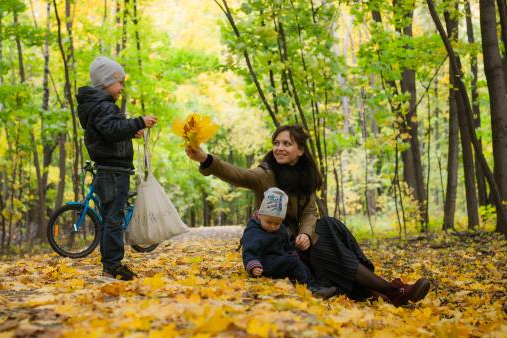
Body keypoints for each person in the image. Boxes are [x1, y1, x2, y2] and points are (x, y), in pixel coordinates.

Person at [187, 125, 431, 306]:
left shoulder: (306, 178)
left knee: (330, 225)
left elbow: (310, 211)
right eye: (277, 143)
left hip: (301, 242)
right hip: (280, 247)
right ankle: (389, 290)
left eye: (287, 143)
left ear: (301, 150)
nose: (280, 148)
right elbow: (238, 175)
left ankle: (379, 290)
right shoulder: (266, 174)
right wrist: (206, 159)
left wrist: (305, 233)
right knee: (326, 232)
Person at [77, 56, 157, 280]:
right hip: (112, 170)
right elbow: (111, 130)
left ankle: (110, 266)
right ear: (105, 82)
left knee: (111, 217)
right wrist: (138, 122)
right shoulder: (102, 106)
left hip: (114, 169)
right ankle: (112, 267)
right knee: (113, 218)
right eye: (119, 82)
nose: (122, 86)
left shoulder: (101, 105)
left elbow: (110, 132)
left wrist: (130, 131)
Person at [242, 187, 338, 299]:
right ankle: (309, 289)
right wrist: (253, 265)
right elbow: (249, 251)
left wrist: (293, 251)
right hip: (264, 264)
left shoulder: (281, 229)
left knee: (300, 261)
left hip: (278, 259)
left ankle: (316, 286)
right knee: (292, 262)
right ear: (260, 215)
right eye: (269, 222)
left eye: (277, 223)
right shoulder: (253, 231)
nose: (273, 226)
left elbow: (286, 245)